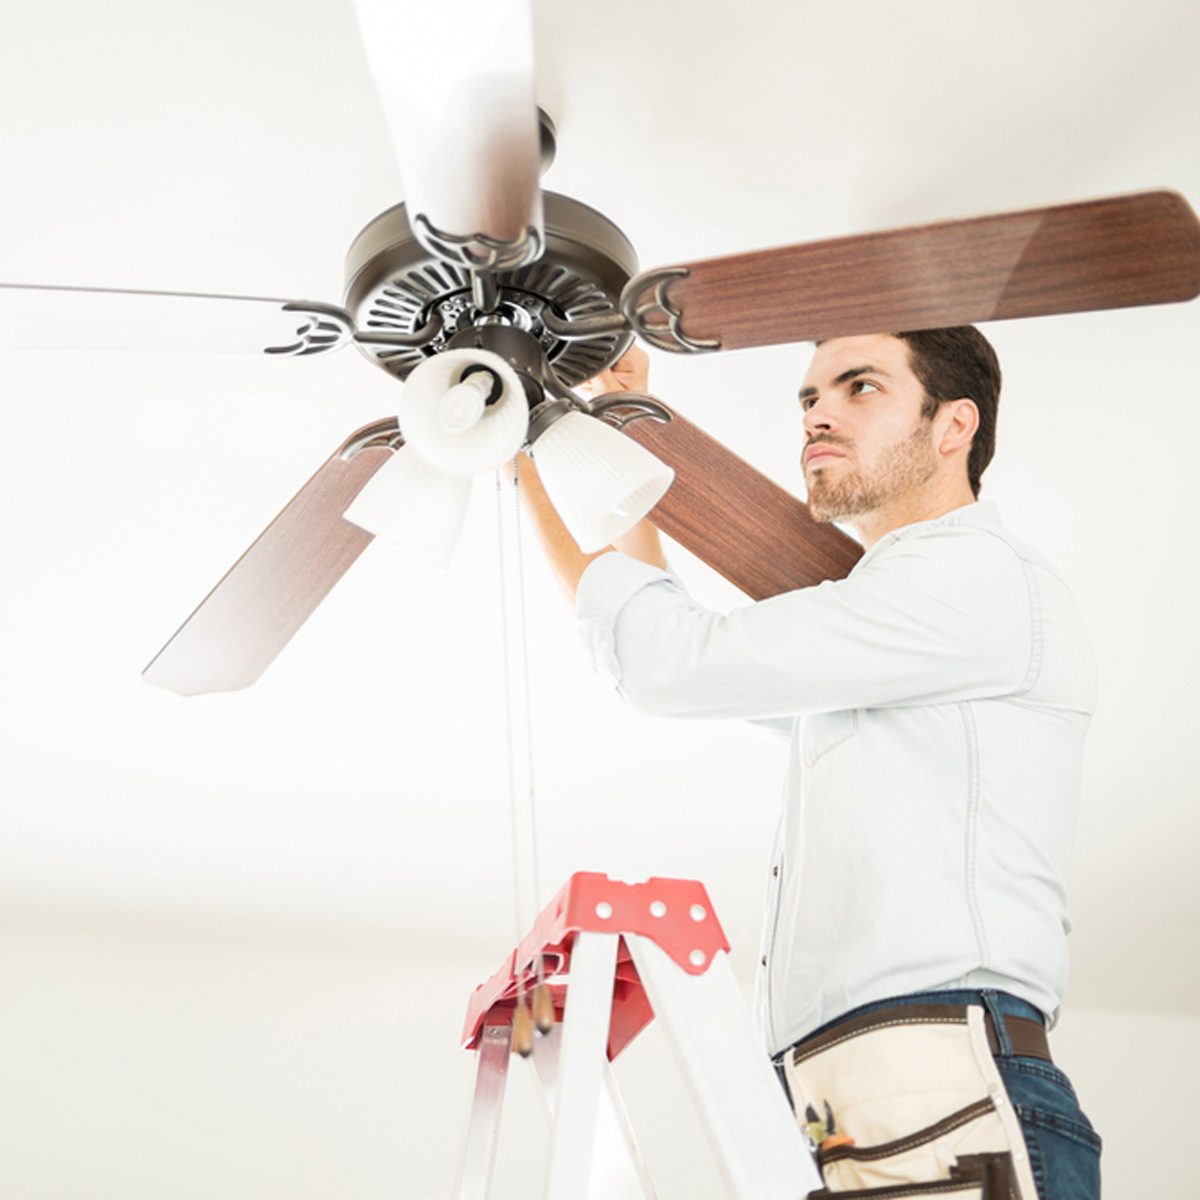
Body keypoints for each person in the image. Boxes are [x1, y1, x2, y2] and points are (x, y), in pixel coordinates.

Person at [516, 329, 1102, 1199]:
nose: (818, 413)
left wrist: (523, 455)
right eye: (808, 397)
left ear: (955, 426)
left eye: (860, 386)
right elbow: (682, 654)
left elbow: (667, 662)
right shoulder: (890, 635)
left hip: (937, 1080)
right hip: (862, 1095)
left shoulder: (975, 581)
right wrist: (612, 439)